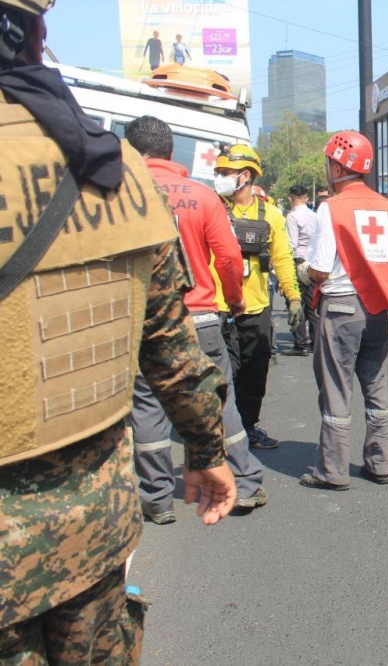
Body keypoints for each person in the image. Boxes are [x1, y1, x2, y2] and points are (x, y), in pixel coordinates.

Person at [0, 2, 236, 661]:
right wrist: (209, 452)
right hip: (93, 536)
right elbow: (172, 349)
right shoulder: (113, 169)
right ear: (33, 37)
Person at [124, 115, 268, 521]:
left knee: (147, 408)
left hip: (141, 322)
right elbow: (228, 257)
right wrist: (235, 300)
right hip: (201, 317)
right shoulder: (201, 196)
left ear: (132, 152)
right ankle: (246, 483)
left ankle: (155, 499)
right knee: (219, 402)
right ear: (173, 152)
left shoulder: (117, 194)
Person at [296, 130, 388, 491]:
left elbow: (321, 268)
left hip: (341, 307)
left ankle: (332, 471)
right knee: (378, 387)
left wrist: (304, 272)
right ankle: (380, 462)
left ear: (337, 166)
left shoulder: (332, 207)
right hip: (378, 309)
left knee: (336, 387)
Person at [212, 144, 302, 449]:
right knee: (223, 375)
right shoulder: (212, 209)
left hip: (256, 308)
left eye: (226, 173)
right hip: (219, 308)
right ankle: (219, 431)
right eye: (219, 172)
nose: (220, 178)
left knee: (254, 372)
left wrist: (293, 297)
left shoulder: (272, 216)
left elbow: (283, 259)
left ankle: (247, 427)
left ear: (246, 176)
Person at [285, 184, 320, 355]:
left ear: (290, 198)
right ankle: (316, 341)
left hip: (298, 263)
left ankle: (301, 343)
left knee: (296, 302)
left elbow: (291, 243)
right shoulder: (315, 215)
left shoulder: (292, 217)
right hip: (313, 264)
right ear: (306, 198)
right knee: (312, 305)